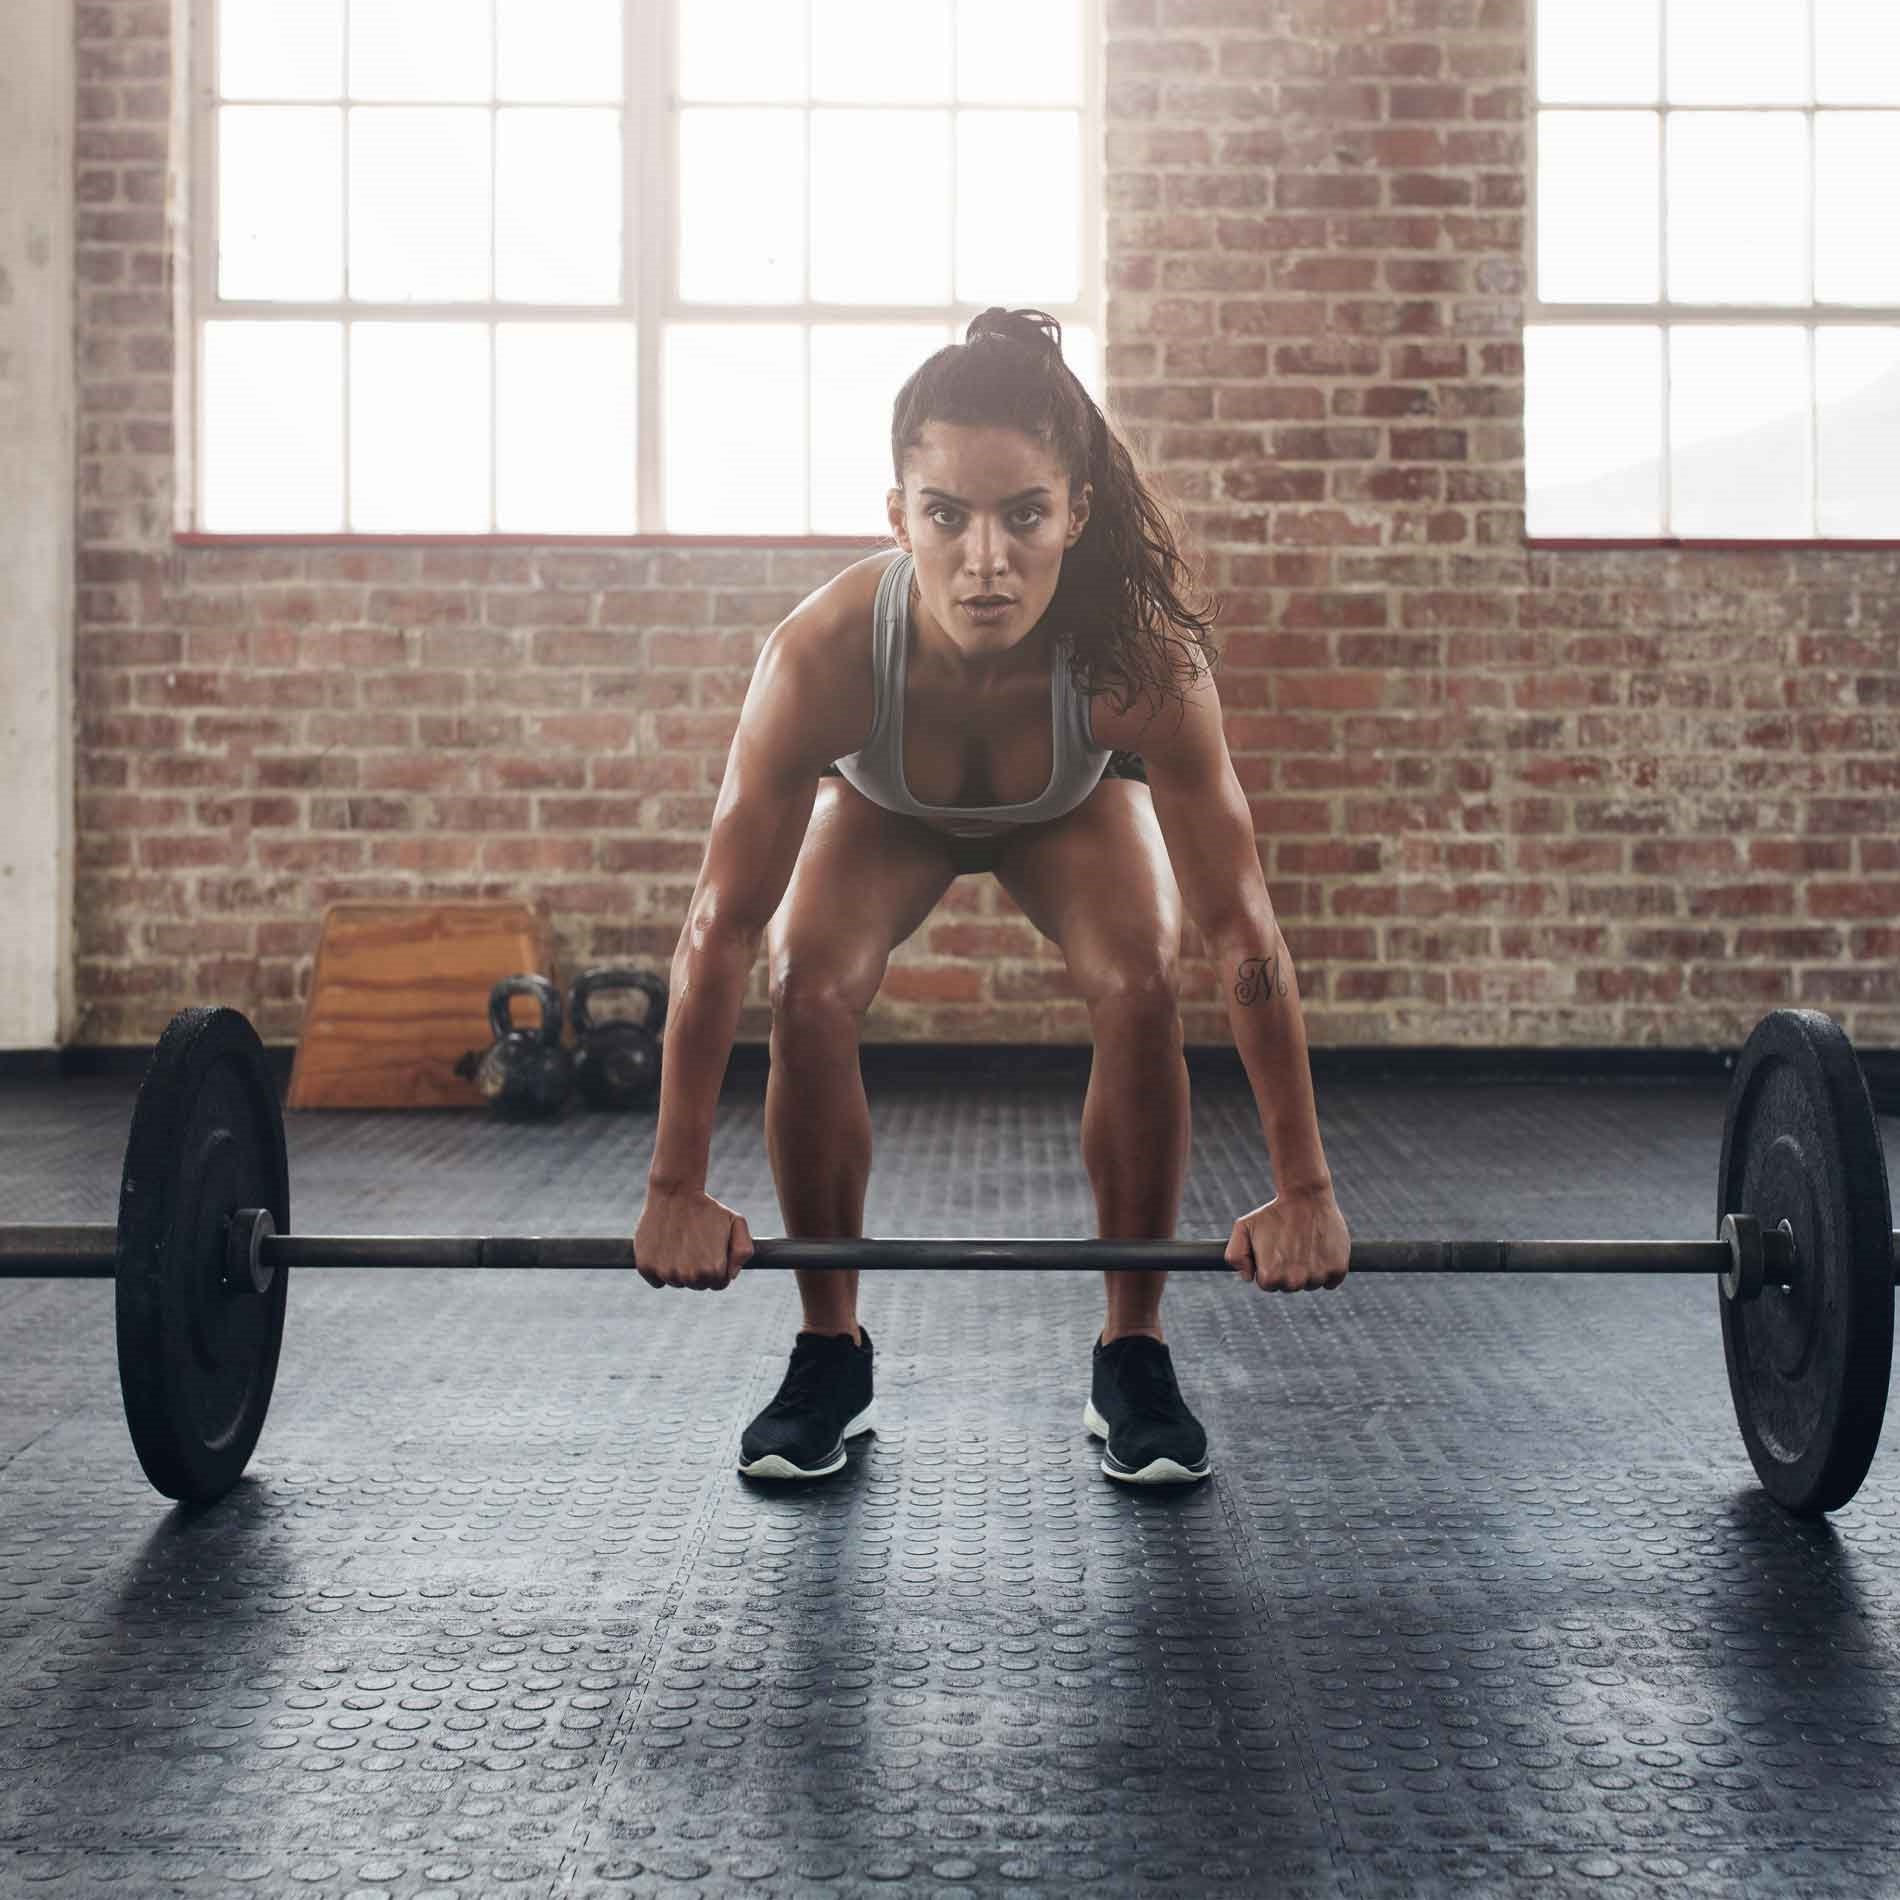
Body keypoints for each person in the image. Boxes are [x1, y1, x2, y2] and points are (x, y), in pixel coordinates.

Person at [632, 307, 1352, 1486]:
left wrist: (1306, 1190)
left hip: (1069, 807)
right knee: (806, 981)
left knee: (1137, 978)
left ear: (1074, 510)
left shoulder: (1140, 665)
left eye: (1023, 516)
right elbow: (718, 930)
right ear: (896, 517)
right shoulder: (818, 659)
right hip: (886, 811)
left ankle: (1133, 1348)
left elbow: (1242, 931)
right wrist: (671, 1187)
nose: (985, 560)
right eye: (946, 516)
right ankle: (829, 1350)